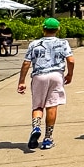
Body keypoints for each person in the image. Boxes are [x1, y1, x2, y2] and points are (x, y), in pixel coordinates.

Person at [17, 18, 74, 151]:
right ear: (58, 29)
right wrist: (70, 74)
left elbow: (26, 63)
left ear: (43, 29)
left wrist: (22, 81)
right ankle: (47, 139)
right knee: (52, 106)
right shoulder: (63, 43)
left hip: (39, 76)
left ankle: (36, 127)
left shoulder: (34, 44)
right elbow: (71, 60)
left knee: (37, 105)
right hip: (56, 75)